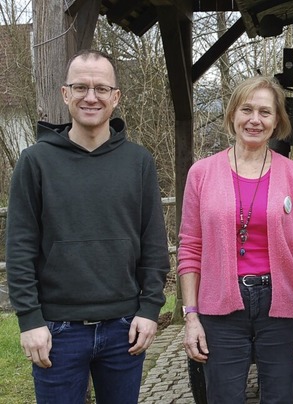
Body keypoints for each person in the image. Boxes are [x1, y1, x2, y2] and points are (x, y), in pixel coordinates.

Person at [5, 49, 170, 404]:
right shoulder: (35, 162)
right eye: (80, 87)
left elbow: (154, 243)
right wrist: (29, 319)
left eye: (100, 88)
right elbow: (20, 247)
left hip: (125, 327)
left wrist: (149, 309)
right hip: (56, 331)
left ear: (115, 97)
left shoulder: (138, 161)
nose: (90, 97)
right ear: (65, 94)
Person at [178, 75, 293, 403]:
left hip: (280, 304)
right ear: (232, 116)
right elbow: (190, 247)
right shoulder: (201, 174)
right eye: (247, 110)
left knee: (279, 397)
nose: (254, 119)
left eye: (265, 112)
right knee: (224, 397)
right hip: (220, 305)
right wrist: (191, 316)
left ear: (277, 122)